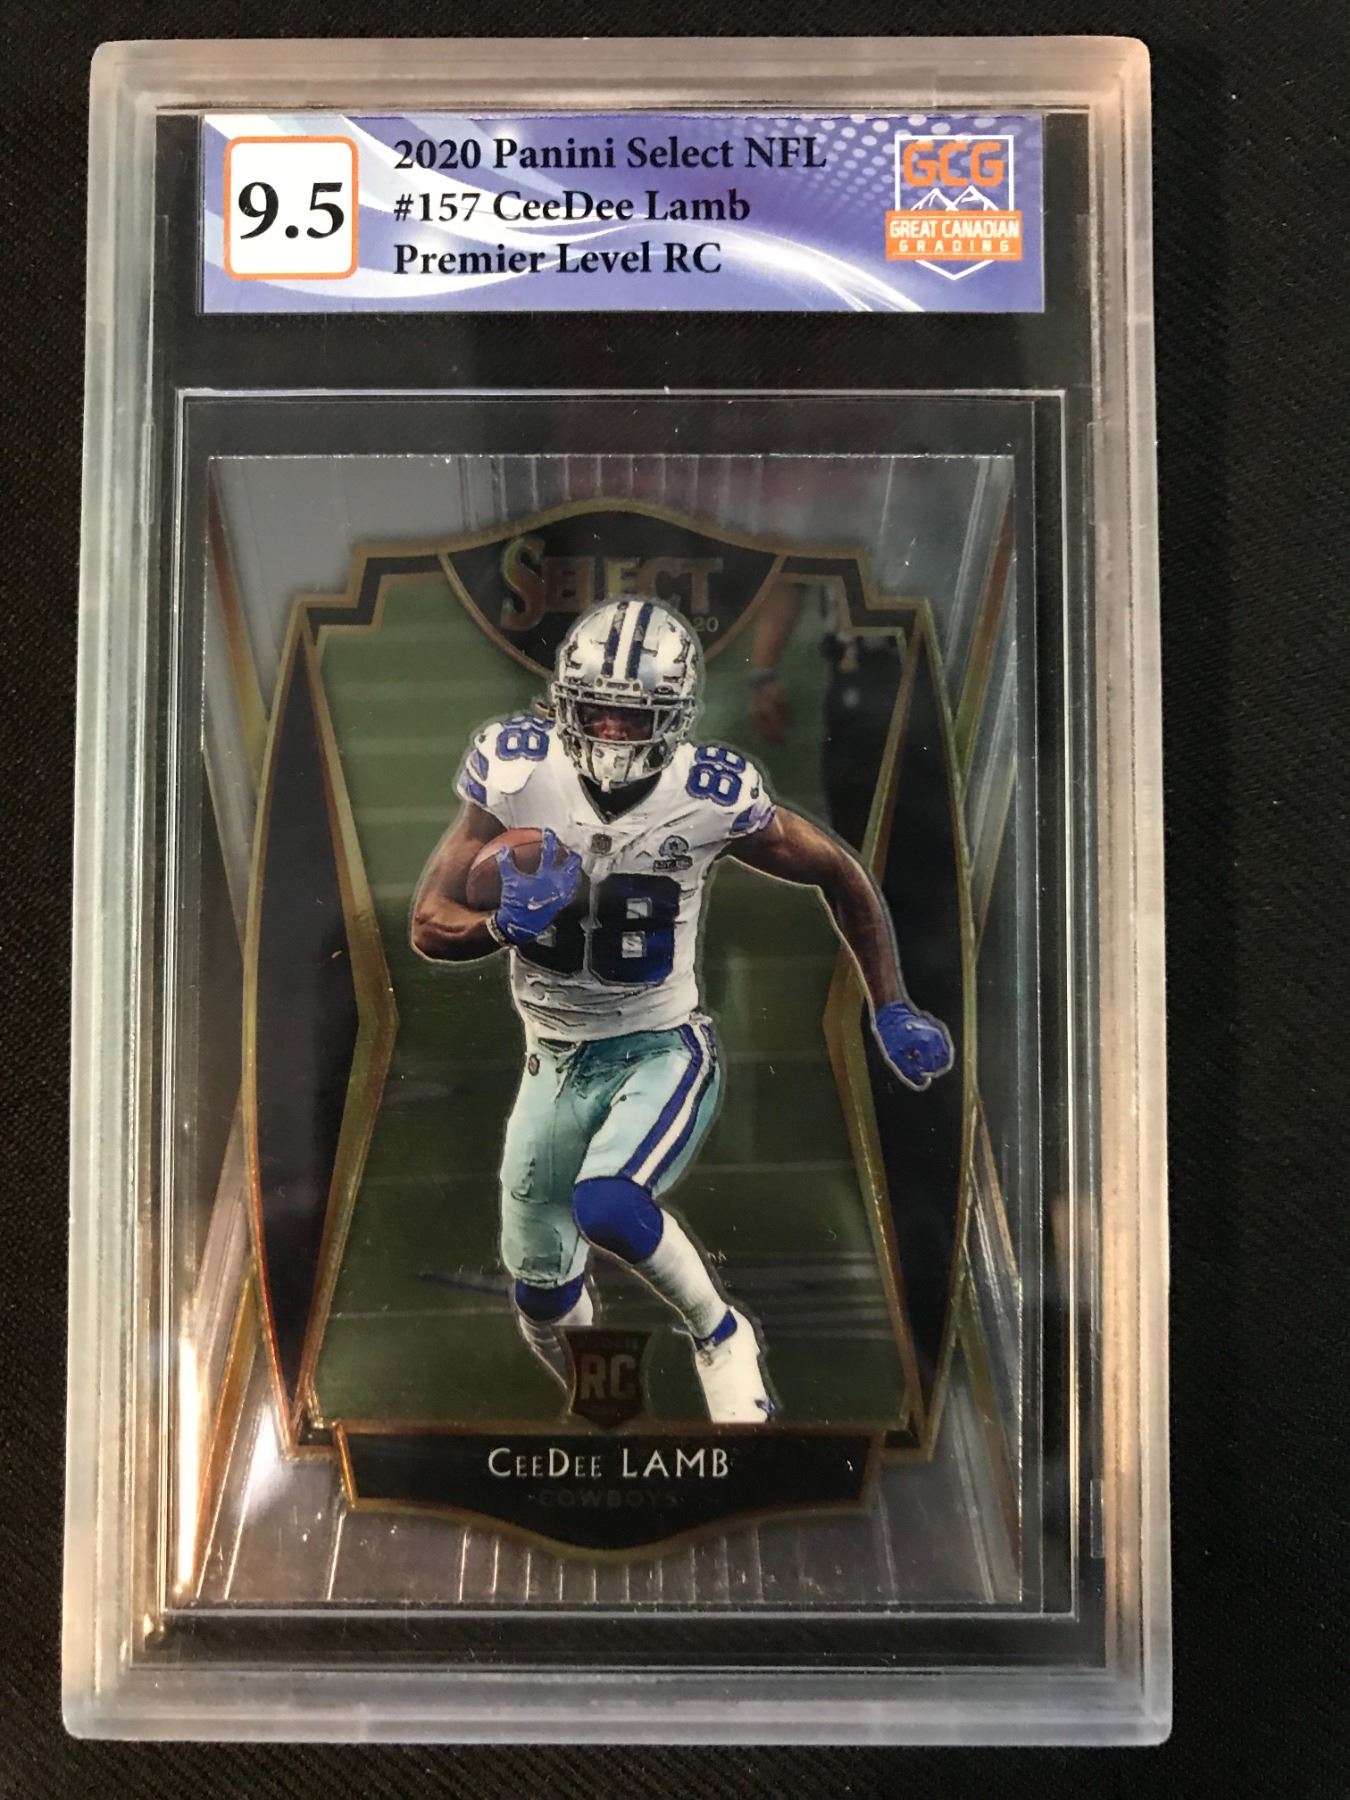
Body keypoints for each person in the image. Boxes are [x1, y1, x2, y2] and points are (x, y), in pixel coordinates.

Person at [411, 598, 953, 1423]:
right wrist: (497, 927)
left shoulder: (708, 793)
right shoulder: (517, 771)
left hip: (658, 1046)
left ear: (674, 716)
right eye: (597, 710)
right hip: (549, 1060)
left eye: (634, 716)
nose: (611, 731)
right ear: (564, 701)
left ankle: (722, 1335)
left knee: (607, 1205)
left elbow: (837, 871)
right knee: (542, 1294)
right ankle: (602, 1401)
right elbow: (428, 922)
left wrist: (891, 1004)